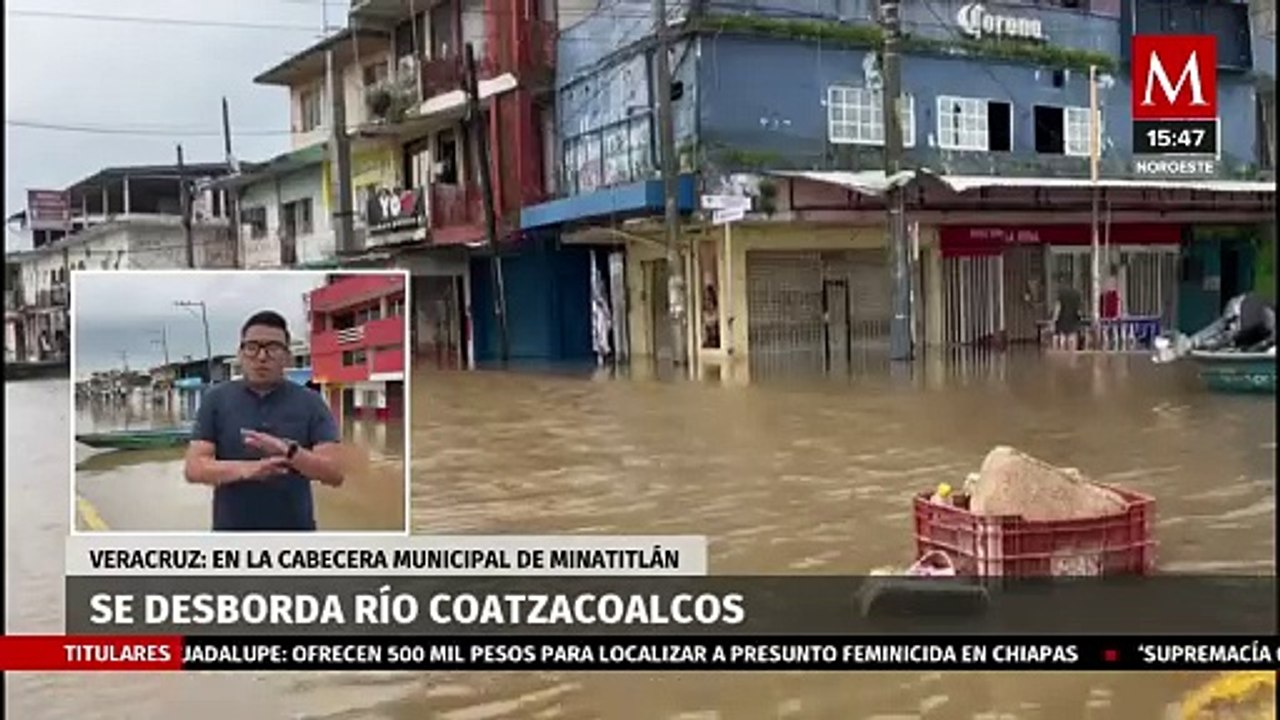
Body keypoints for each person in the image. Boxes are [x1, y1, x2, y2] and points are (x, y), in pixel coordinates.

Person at [183, 310, 345, 531]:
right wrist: (250, 470)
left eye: (273, 348)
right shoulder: (216, 399)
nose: (261, 357)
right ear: (240, 354)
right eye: (252, 347)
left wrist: (290, 452)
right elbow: (194, 468)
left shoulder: (311, 402)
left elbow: (334, 473)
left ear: (287, 356)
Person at [1050, 277, 1084, 351]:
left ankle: (1064, 358)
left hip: (1062, 321)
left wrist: (1053, 322)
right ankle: (1072, 360)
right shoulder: (1077, 294)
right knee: (1072, 341)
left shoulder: (1061, 295)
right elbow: (1079, 311)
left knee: (1063, 341)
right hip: (1073, 322)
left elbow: (1057, 309)